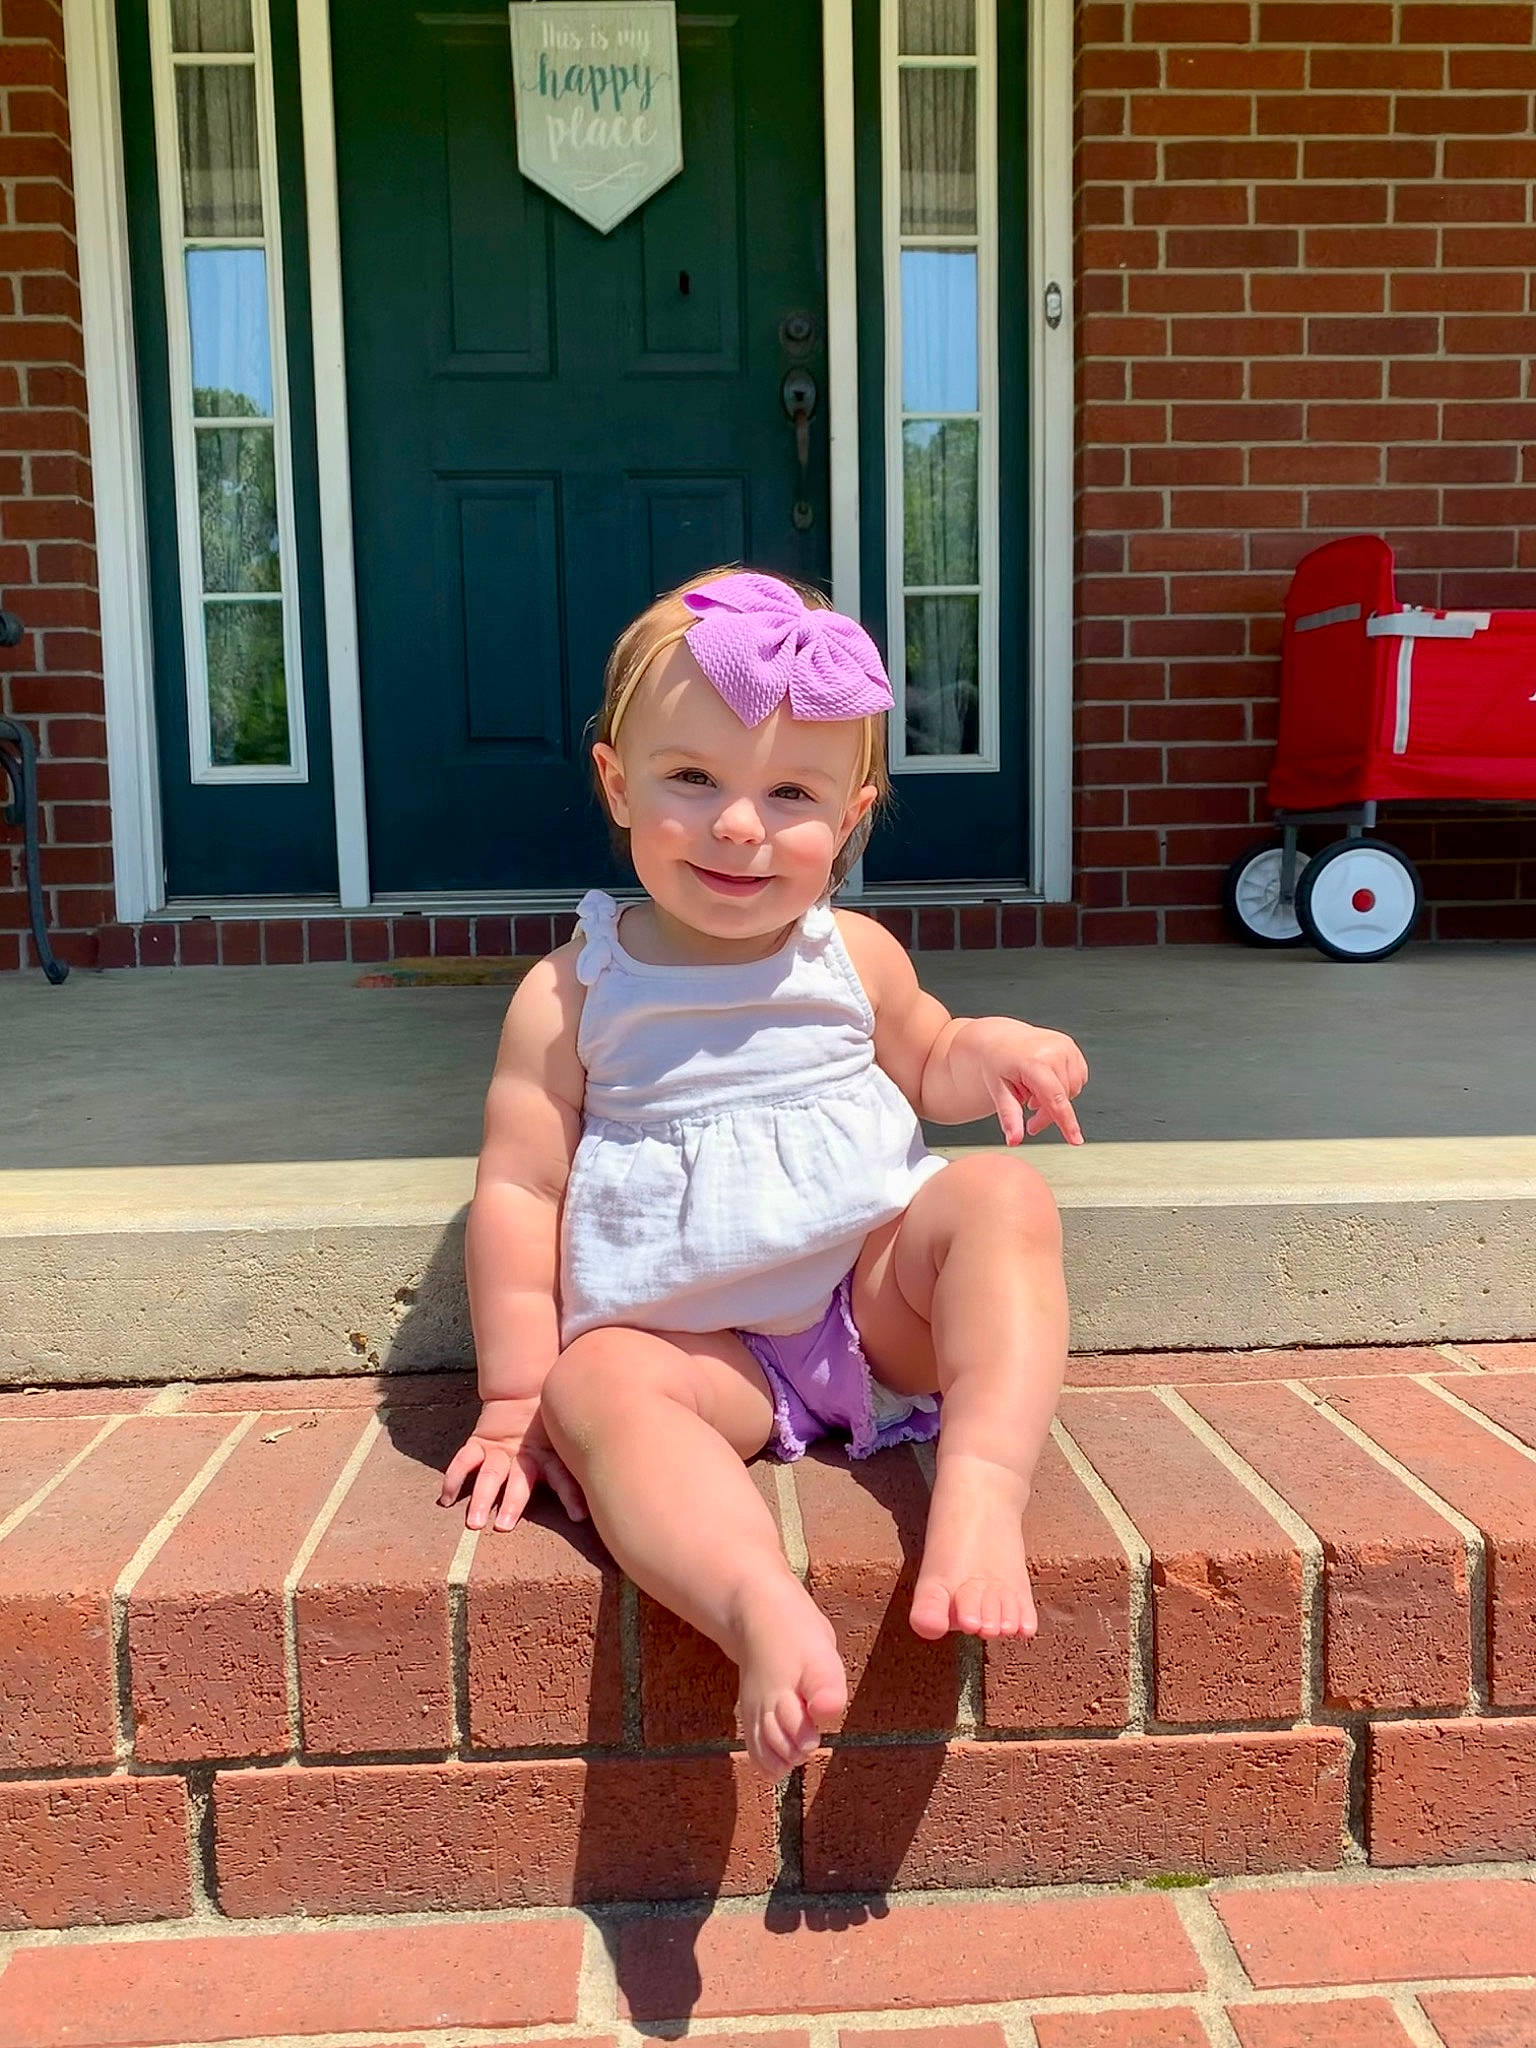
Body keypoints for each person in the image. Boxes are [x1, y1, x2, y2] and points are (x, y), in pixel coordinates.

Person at [440, 568, 1086, 1780]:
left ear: (850, 817)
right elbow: (522, 1190)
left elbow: (931, 1055)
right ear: (617, 783)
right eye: (694, 778)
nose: (741, 823)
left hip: (868, 1303)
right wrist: (517, 1398)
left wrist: (993, 1047)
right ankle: (754, 1603)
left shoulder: (856, 958)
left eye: (790, 791)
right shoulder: (577, 991)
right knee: (599, 1389)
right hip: (705, 1360)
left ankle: (983, 1488)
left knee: (1003, 1198)